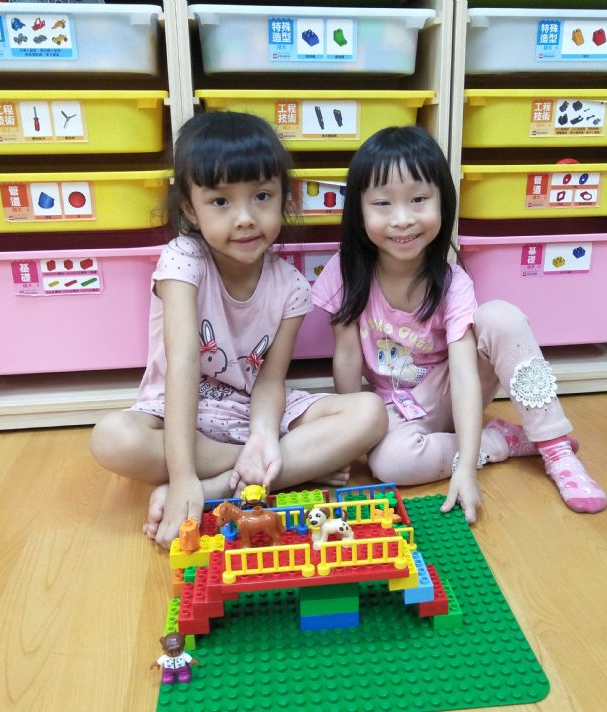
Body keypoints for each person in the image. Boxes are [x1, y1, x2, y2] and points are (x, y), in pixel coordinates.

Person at [90, 111, 387, 548]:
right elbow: (183, 363)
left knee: (370, 412)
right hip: (184, 415)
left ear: (285, 199)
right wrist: (183, 476)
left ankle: (224, 484)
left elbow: (269, 381)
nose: (245, 217)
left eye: (262, 196)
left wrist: (263, 435)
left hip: (252, 413)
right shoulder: (183, 259)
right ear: (190, 208)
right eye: (220, 202)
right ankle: (277, 470)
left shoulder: (291, 286)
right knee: (111, 438)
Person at [311, 126, 606, 523]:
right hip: (396, 407)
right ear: (359, 212)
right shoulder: (345, 272)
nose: (403, 219)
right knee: (391, 464)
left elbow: (465, 376)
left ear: (443, 202)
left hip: (453, 390)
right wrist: (348, 441)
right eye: (382, 203)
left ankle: (554, 447)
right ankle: (499, 440)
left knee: (500, 316)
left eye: (419, 200)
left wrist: (466, 469)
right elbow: (347, 359)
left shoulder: (453, 283)